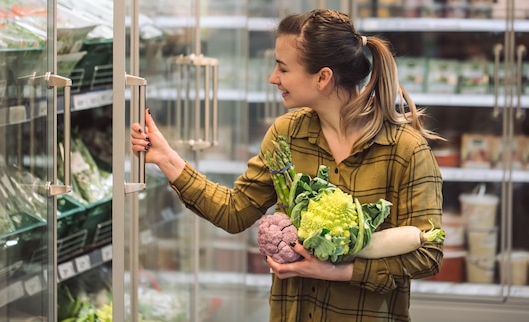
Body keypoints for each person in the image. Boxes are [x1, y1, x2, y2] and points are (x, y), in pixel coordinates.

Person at [131, 8, 443, 322]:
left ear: (323, 77)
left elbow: (429, 254)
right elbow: (235, 212)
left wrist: (340, 271)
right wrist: (165, 158)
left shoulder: (404, 149)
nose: (273, 78)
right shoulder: (287, 134)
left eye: (282, 68)